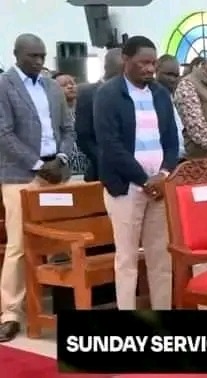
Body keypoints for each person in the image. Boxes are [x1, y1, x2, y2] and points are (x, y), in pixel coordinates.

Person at [93, 36, 178, 310]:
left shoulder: (161, 94)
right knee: (127, 259)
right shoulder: (107, 95)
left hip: (160, 186)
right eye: (143, 62)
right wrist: (144, 179)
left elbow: (172, 140)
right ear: (125, 61)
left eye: (153, 62)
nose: (149, 68)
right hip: (126, 188)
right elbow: (111, 145)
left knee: (161, 259)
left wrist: (164, 174)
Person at [0, 34, 75, 342]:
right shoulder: (4, 85)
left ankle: (59, 306)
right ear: (16, 54)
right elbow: (3, 133)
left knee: (59, 241)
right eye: (33, 56)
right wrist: (35, 163)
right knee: (18, 245)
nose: (39, 62)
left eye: (43, 56)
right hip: (21, 174)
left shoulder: (51, 86)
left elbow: (67, 128)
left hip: (55, 173)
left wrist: (60, 158)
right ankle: (10, 313)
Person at [75, 48, 123, 181]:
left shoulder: (130, 92)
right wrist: (106, 160)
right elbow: (84, 136)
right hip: (101, 171)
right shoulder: (88, 93)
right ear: (107, 68)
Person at [53, 72, 87, 177]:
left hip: (88, 169)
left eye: (72, 83)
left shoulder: (86, 110)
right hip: (64, 170)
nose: (70, 86)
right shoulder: (52, 114)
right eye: (64, 85)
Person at [155, 54, 185, 160]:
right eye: (168, 74)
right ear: (156, 71)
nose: (172, 80)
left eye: (176, 76)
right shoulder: (152, 100)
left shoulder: (175, 99)